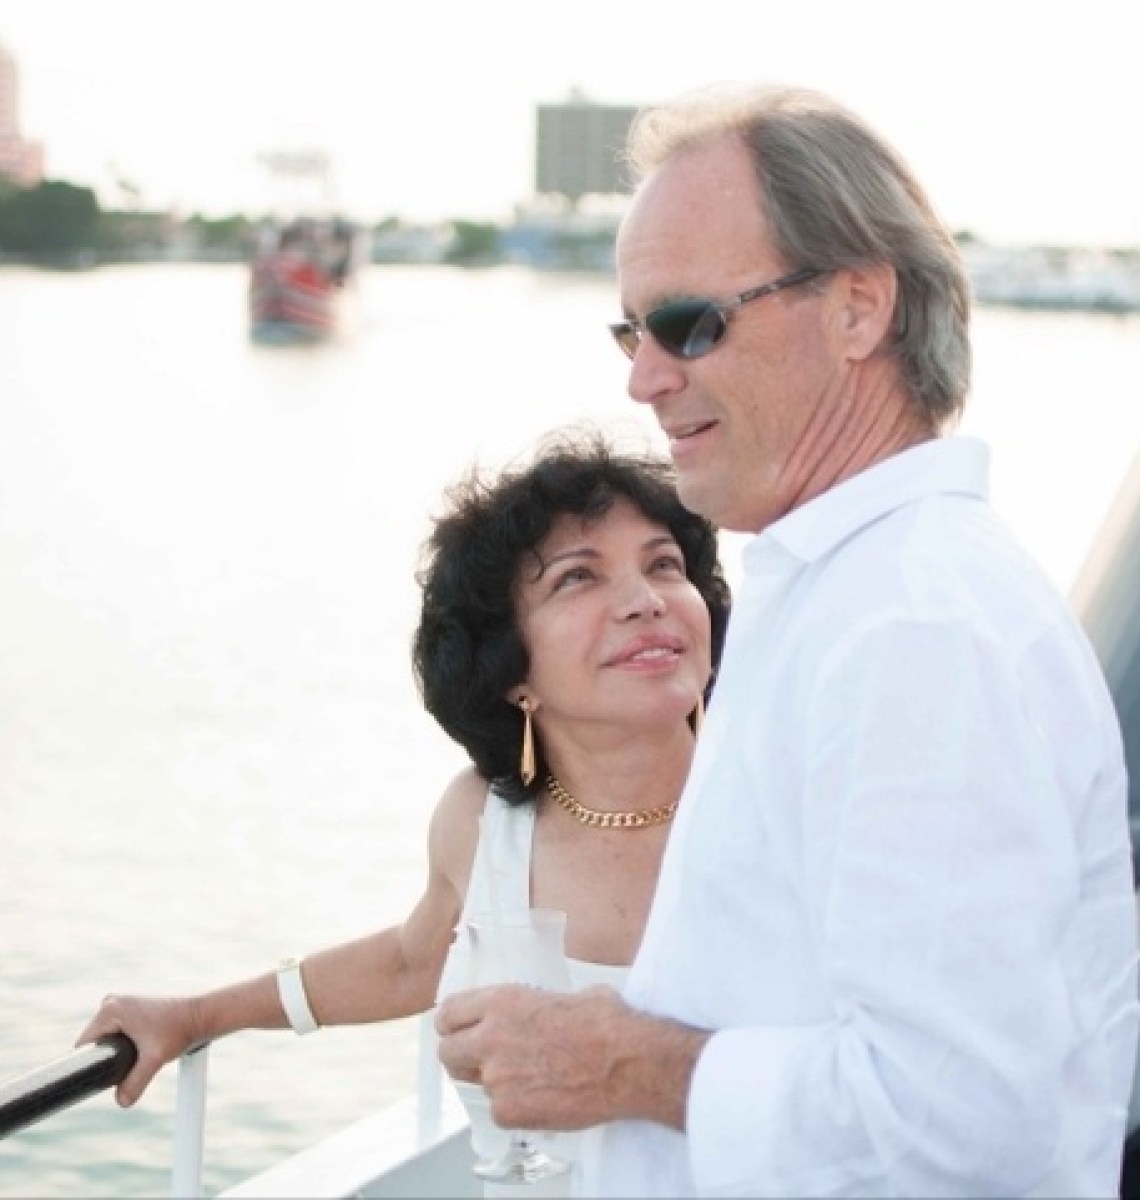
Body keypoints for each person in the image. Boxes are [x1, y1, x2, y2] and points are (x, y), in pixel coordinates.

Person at [435, 84, 1140, 1198]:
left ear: (859, 308)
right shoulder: (849, 592)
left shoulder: (913, 630)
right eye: (630, 330)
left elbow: (966, 1118)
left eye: (687, 324)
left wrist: (620, 1062)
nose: (642, 375)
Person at [75, 427, 731, 1196]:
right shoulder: (482, 821)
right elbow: (411, 960)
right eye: (578, 579)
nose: (646, 601)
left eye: (665, 565)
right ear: (511, 671)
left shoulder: (777, 800)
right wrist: (196, 1015)